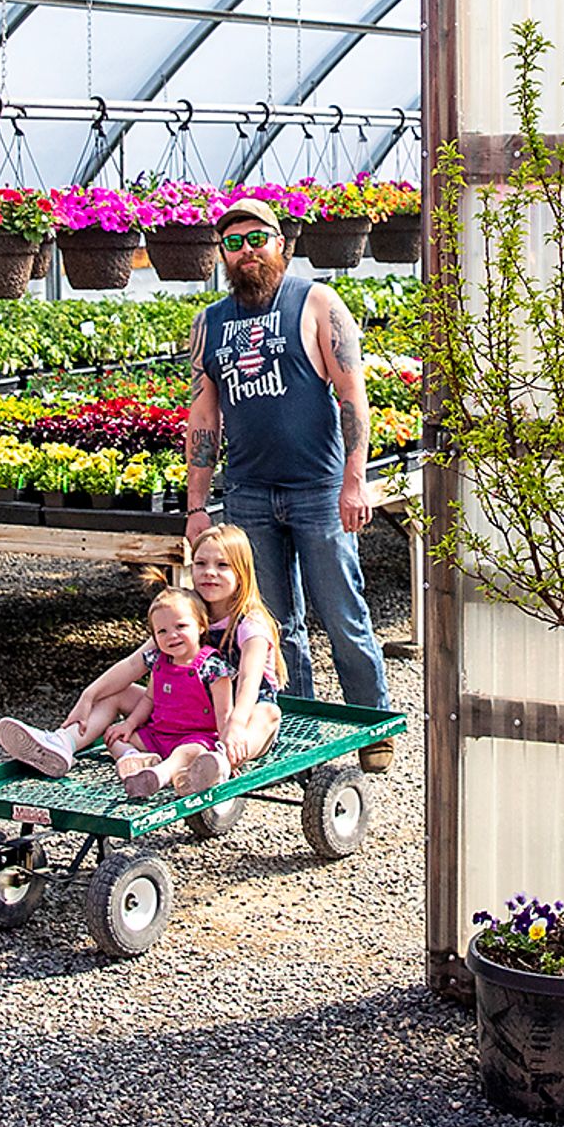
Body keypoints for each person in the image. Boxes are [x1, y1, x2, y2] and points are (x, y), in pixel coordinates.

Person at [183, 197, 395, 768]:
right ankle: (297, 728)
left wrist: (356, 481)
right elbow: (204, 417)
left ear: (282, 244)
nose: (247, 251)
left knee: (341, 611)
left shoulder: (316, 302)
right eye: (234, 242)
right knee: (271, 627)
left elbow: (353, 396)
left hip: (318, 489)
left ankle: (372, 724)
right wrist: (197, 505)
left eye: (258, 239)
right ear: (222, 254)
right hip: (249, 492)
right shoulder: (211, 324)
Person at [0, 526, 284, 779]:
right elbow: (136, 663)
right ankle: (63, 743)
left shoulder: (250, 623)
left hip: (234, 715)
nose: (209, 572)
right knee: (116, 692)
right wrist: (90, 695)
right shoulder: (187, 613)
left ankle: (218, 763)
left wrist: (233, 725)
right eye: (201, 563)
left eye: (222, 565)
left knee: (266, 713)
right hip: (191, 710)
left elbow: (248, 680)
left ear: (242, 572)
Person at [0, 587, 236, 799]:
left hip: (194, 736)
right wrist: (129, 725)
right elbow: (150, 700)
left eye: (181, 627)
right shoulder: (160, 661)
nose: (171, 636)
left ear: (201, 625)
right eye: (161, 632)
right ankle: (130, 759)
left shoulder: (212, 667)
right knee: (115, 739)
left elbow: (224, 713)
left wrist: (226, 750)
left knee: (188, 753)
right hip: (159, 733)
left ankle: (159, 775)